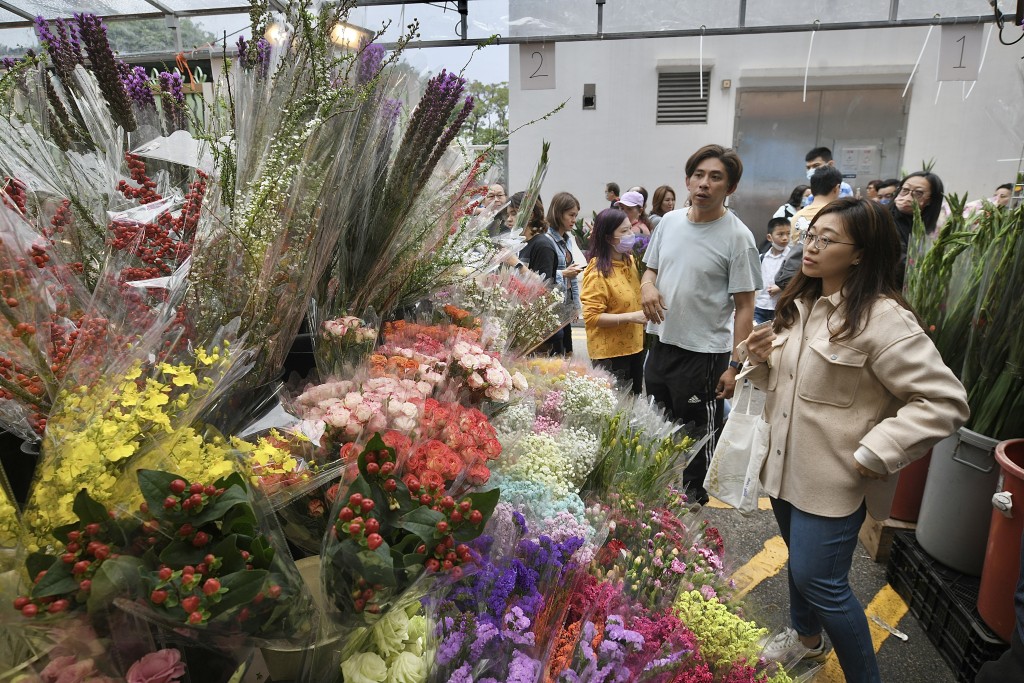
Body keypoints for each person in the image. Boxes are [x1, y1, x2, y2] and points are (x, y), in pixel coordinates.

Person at [744, 198, 969, 683]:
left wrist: (878, 451)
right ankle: (806, 642)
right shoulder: (802, 303)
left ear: (861, 253)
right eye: (811, 234)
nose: (811, 246)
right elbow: (783, 383)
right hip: (784, 469)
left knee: (822, 583)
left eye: (828, 239)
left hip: (834, 479)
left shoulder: (881, 318)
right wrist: (759, 360)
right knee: (801, 568)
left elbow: (944, 400)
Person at [640, 144, 761, 505]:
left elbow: (745, 307)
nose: (704, 184)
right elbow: (651, 268)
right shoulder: (670, 222)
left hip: (705, 355)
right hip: (661, 345)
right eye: (698, 175)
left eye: (715, 177)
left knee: (699, 433)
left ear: (730, 188)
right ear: (688, 180)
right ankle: (657, 492)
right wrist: (647, 286)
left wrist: (736, 367)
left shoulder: (739, 238)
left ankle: (693, 503)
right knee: (657, 427)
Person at [581, 208, 647, 394]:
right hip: (609, 355)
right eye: (623, 231)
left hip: (635, 348)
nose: (630, 235)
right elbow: (592, 317)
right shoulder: (597, 273)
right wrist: (631, 317)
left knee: (632, 406)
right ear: (609, 238)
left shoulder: (631, 262)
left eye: (630, 229)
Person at [546, 192, 585, 355]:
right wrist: (564, 273)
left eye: (576, 215)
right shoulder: (547, 240)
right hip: (553, 305)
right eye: (571, 215)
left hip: (565, 304)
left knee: (567, 354)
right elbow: (543, 274)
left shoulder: (568, 239)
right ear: (558, 213)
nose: (574, 220)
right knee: (556, 353)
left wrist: (575, 306)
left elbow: (573, 276)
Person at [890, 171, 944, 283]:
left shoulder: (932, 225)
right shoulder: (884, 218)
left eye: (918, 193)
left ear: (930, 200)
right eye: (905, 190)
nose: (908, 197)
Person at [510, 192, 557, 282]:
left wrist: (517, 264)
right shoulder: (521, 243)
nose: (509, 219)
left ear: (530, 215)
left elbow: (544, 285)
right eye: (508, 214)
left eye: (514, 213)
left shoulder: (543, 245)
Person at [754, 217, 792, 324]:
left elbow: (797, 279)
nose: (785, 238)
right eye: (780, 234)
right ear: (769, 237)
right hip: (761, 306)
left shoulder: (792, 258)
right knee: (759, 336)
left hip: (782, 307)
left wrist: (781, 287)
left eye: (788, 233)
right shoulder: (762, 258)